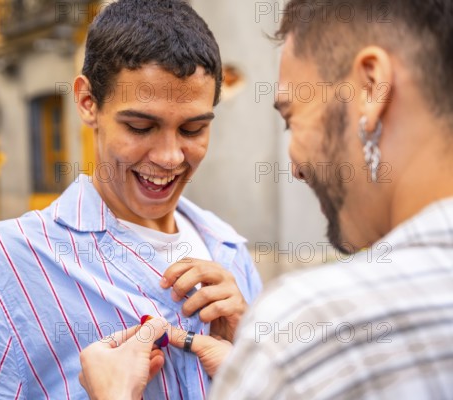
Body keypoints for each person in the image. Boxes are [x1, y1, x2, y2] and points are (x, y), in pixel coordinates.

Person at [0, 0, 263, 399]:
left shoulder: (230, 252)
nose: (170, 156)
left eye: (192, 129)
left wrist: (253, 355)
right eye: (140, 126)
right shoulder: (3, 268)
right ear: (87, 102)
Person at [78, 0, 453, 398]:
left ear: (371, 87)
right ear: (88, 103)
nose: (293, 166)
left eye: (291, 117)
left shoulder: (312, 328)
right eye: (140, 126)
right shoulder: (10, 261)